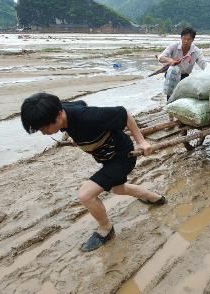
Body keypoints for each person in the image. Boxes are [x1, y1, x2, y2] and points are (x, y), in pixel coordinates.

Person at [20, 93, 167, 252]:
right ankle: (155, 198)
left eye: (44, 128)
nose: (43, 133)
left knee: (86, 194)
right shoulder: (64, 111)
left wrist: (141, 141)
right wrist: (71, 134)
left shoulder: (87, 117)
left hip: (121, 156)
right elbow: (81, 102)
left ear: (59, 114)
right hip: (106, 157)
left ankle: (106, 229)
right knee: (118, 188)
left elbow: (123, 113)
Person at [158, 27, 207, 100]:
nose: (186, 41)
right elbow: (161, 58)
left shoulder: (196, 51)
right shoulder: (174, 46)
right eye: (184, 38)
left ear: (193, 40)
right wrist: (170, 61)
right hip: (171, 74)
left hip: (184, 76)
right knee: (171, 95)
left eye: (189, 39)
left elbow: (203, 64)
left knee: (182, 96)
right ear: (181, 37)